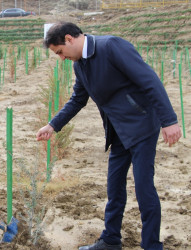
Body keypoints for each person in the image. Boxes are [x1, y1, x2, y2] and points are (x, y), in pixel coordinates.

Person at [36, 22, 181, 250]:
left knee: (144, 188)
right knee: (114, 187)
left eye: (60, 52)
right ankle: (111, 240)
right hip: (119, 131)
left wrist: (169, 120)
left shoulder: (111, 46)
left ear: (70, 39)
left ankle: (152, 245)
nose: (61, 58)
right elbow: (77, 100)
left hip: (141, 124)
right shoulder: (79, 66)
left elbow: (149, 80)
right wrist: (53, 125)